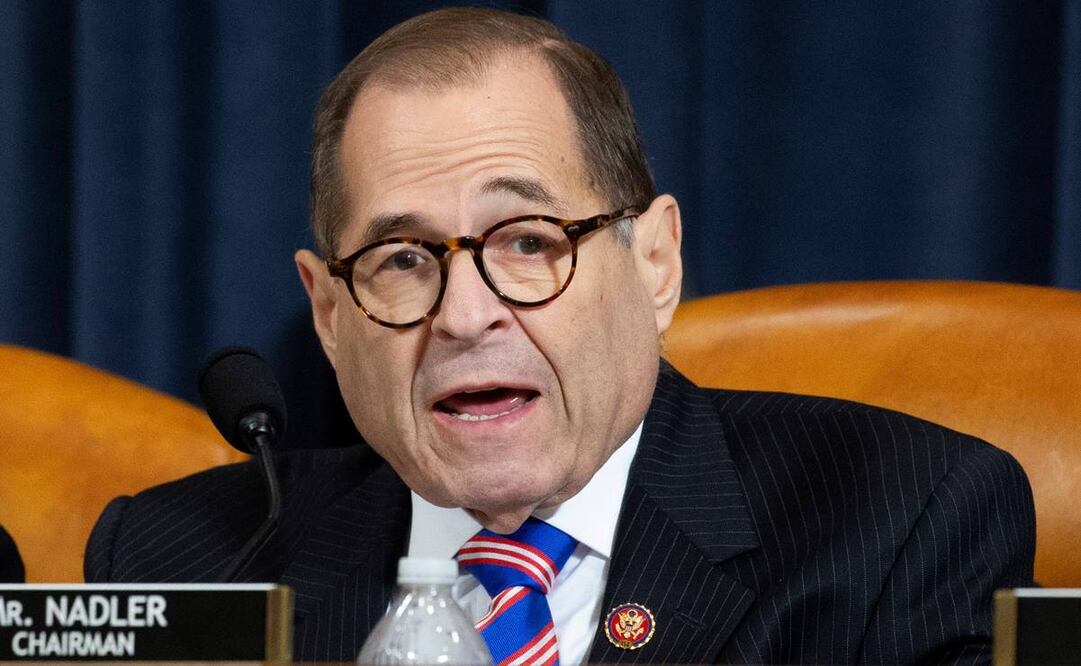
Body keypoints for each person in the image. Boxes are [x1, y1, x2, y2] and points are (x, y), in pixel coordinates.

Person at [84, 7, 1034, 664]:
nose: (465, 315)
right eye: (404, 259)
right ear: (329, 315)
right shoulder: (177, 562)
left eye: (529, 242)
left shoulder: (900, 524)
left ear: (656, 262)